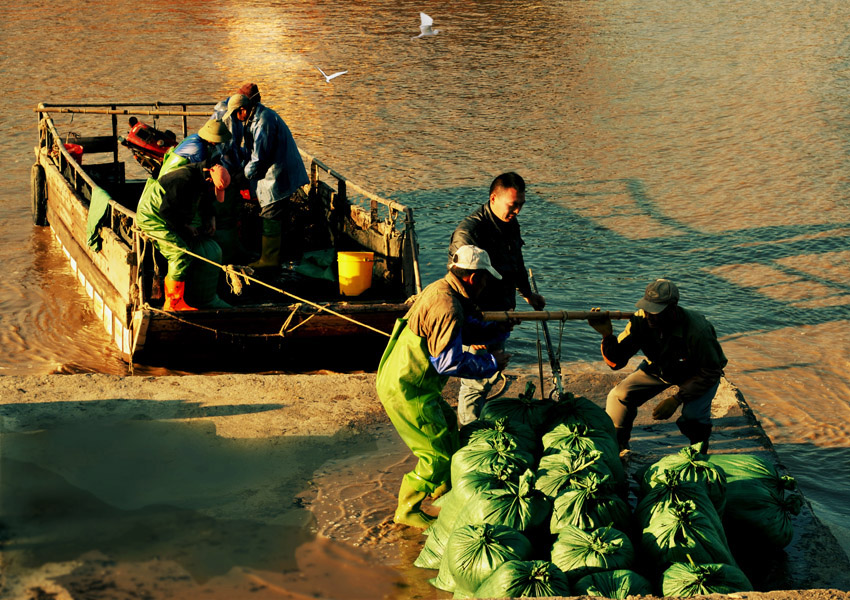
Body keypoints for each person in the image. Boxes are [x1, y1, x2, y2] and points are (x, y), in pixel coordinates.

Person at [376, 245, 511, 528]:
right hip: (408, 388)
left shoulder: (441, 289)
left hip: (412, 382)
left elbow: (462, 327)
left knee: (450, 431)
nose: (486, 285)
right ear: (473, 278)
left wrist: (500, 328)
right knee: (435, 454)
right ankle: (407, 510)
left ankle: (442, 493)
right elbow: (447, 364)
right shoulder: (446, 305)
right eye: (485, 279)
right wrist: (490, 363)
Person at [587, 278, 728, 454]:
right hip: (660, 368)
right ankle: (619, 446)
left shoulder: (698, 329)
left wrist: (676, 399)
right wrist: (607, 336)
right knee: (618, 396)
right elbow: (616, 361)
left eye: (656, 312)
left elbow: (711, 371)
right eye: (647, 309)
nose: (650, 316)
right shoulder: (640, 320)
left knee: (693, 417)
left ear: (672, 309)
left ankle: (698, 452)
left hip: (697, 374)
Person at [448, 172, 545, 425]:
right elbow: (460, 284)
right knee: (474, 381)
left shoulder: (510, 223)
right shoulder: (469, 232)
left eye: (521, 205)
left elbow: (517, 262)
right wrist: (472, 332)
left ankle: (477, 421)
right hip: (478, 316)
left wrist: (527, 294)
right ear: (493, 198)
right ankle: (469, 433)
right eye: (513, 206)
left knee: (490, 372)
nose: (518, 212)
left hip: (500, 314)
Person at [223, 92, 310, 270]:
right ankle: (275, 256)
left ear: (243, 110)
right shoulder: (255, 117)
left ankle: (269, 260)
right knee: (276, 214)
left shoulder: (264, 122)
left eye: (235, 115)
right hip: (274, 173)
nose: (235, 119)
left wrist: (241, 176)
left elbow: (259, 158)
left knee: (271, 213)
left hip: (277, 175)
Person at [135, 163, 231, 310]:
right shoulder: (183, 180)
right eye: (214, 189)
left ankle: (190, 297)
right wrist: (185, 227)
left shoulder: (202, 177)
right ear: (209, 180)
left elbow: (206, 199)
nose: (213, 192)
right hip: (153, 216)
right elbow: (166, 212)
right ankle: (173, 303)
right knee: (180, 254)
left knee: (203, 247)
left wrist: (211, 218)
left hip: (168, 213)